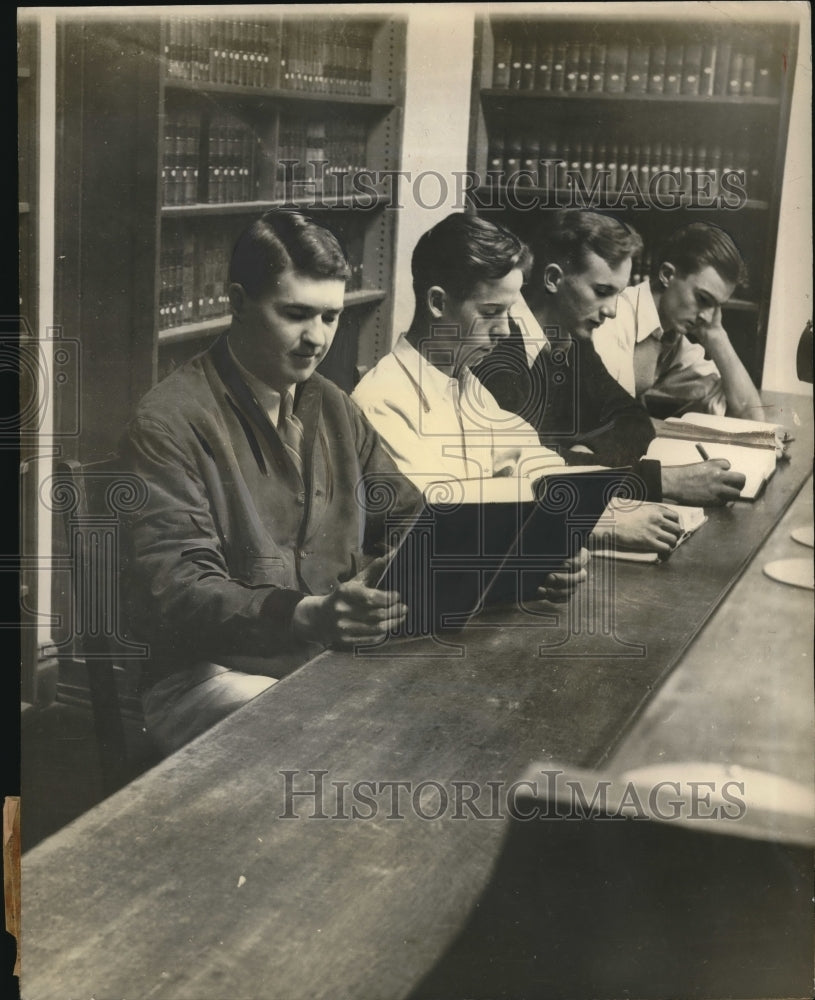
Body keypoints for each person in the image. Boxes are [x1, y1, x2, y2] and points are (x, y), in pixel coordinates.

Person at [120, 210, 421, 755]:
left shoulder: (331, 403)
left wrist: (512, 564)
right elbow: (182, 590)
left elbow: (408, 517)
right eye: (296, 314)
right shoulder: (168, 421)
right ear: (236, 302)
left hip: (325, 660)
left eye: (331, 317)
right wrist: (309, 614)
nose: (317, 339)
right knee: (357, 743)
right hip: (207, 676)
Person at [473, 209, 746, 509]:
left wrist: (584, 455)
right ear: (553, 278)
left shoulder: (573, 341)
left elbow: (633, 420)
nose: (612, 311)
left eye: (617, 294)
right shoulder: (495, 347)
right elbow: (529, 472)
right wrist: (663, 481)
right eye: (602, 292)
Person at [592, 222, 762, 419]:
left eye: (716, 306)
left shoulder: (671, 337)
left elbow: (751, 415)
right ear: (667, 275)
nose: (707, 316)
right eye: (703, 299)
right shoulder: (612, 319)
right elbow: (610, 421)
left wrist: (716, 335)